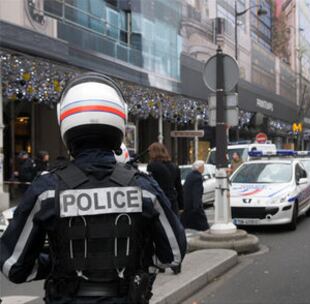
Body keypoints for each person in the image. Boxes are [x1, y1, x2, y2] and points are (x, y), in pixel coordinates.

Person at [0, 73, 186, 304]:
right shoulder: (144, 188)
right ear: (119, 123)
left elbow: (13, 266)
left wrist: (57, 264)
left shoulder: (47, 190)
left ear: (65, 124)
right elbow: (174, 255)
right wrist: (136, 258)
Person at [147, 143, 183, 214]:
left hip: (160, 202)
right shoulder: (174, 167)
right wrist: (181, 206)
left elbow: (151, 185)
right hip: (173, 202)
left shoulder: (152, 166)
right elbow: (179, 188)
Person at [181, 160, 209, 231]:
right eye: (203, 167)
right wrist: (197, 207)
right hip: (195, 207)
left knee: (183, 225)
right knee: (204, 227)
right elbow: (196, 193)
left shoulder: (189, 175)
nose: (203, 169)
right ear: (199, 168)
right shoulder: (198, 178)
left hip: (187, 205)